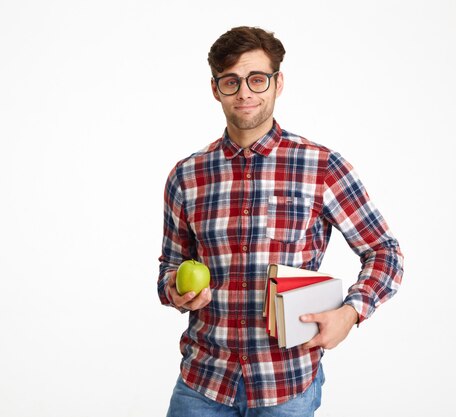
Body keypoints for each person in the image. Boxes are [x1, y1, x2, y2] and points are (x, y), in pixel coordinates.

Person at [157, 26, 404, 417]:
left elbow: (384, 252)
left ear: (278, 82)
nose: (245, 92)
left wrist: (351, 312)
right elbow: (170, 266)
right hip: (202, 381)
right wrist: (175, 289)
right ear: (215, 88)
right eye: (231, 81)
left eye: (257, 79)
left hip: (286, 384)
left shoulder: (322, 166)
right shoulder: (186, 176)